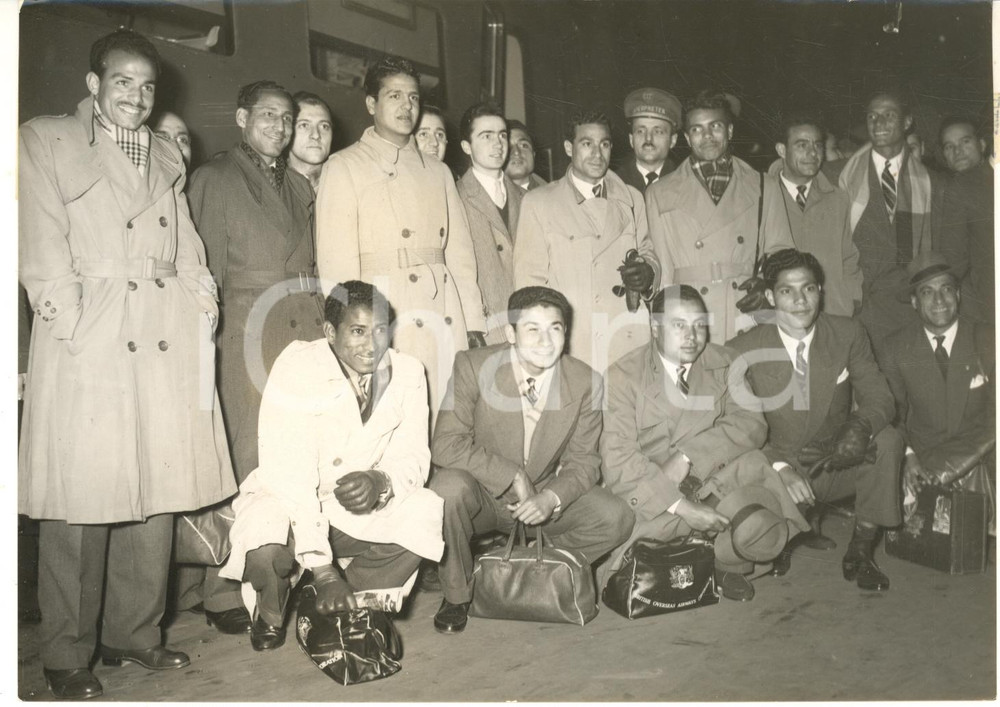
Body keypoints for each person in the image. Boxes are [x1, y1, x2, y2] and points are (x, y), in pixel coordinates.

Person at [18, 29, 235, 699]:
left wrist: (202, 302)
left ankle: (133, 634)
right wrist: (71, 317)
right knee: (80, 499)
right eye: (122, 82)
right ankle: (66, 651)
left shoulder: (166, 151)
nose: (136, 96)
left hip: (164, 326)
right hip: (95, 330)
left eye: (147, 86)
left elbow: (189, 243)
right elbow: (40, 241)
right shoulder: (46, 138)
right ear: (93, 85)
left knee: (156, 490)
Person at [220, 280, 444, 651]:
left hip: (351, 508)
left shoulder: (407, 371)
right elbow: (290, 474)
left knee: (425, 513)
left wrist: (381, 479)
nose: (371, 344)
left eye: (380, 330)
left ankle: (341, 600)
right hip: (290, 499)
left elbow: (415, 456)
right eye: (357, 331)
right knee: (266, 547)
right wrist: (323, 570)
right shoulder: (296, 366)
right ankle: (272, 611)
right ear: (329, 332)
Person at [186, 80, 324, 633]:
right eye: (268, 115)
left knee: (295, 455)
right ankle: (221, 590)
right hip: (246, 334)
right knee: (246, 460)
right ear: (241, 117)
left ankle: (282, 571)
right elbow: (208, 273)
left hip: (301, 330)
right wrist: (210, 352)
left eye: (287, 118)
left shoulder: (295, 184)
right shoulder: (215, 179)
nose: (280, 127)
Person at [429, 286, 634, 633]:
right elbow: (445, 444)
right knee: (447, 489)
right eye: (532, 329)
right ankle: (457, 594)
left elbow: (584, 462)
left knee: (617, 518)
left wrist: (550, 497)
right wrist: (513, 476)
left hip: (541, 501)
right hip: (484, 497)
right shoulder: (474, 366)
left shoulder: (586, 381)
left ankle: (531, 564)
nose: (545, 340)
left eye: (555, 328)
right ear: (510, 333)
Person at [601, 285, 806, 602]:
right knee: (633, 559)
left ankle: (729, 563)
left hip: (715, 476)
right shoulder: (623, 376)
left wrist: (687, 456)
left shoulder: (727, 361)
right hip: (656, 490)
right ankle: (701, 552)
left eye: (699, 325)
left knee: (754, 486)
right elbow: (619, 460)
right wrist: (681, 506)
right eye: (678, 325)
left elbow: (752, 424)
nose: (691, 336)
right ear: (654, 327)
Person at [316, 56, 486, 424]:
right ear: (371, 105)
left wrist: (473, 323)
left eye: (413, 98)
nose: (406, 106)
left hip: (443, 309)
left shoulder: (438, 171)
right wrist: (351, 331)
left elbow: (461, 257)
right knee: (392, 418)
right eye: (394, 96)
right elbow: (336, 264)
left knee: (448, 419)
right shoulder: (344, 166)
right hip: (386, 310)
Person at [728, 249, 904, 592]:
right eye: (786, 291)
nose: (799, 301)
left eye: (808, 288)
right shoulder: (744, 349)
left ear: (820, 290)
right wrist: (780, 467)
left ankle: (860, 551)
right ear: (768, 296)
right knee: (760, 516)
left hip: (836, 459)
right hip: (780, 466)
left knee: (888, 440)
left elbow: (881, 398)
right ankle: (783, 538)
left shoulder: (848, 333)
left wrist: (860, 426)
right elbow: (740, 430)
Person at [646, 89, 794, 344]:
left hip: (747, 312)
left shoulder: (764, 185)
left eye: (715, 126)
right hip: (690, 318)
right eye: (697, 129)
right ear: (687, 137)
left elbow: (782, 252)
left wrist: (767, 284)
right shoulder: (659, 192)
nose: (707, 136)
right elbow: (664, 274)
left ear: (730, 131)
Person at [514, 110, 658, 371]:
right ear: (569, 148)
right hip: (575, 343)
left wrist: (648, 274)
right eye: (587, 144)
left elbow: (649, 253)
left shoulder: (633, 199)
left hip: (627, 339)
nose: (597, 153)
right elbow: (529, 283)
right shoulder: (539, 203)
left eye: (604, 144)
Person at [827, 89, 944, 357]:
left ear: (906, 122)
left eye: (889, 115)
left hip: (906, 311)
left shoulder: (932, 183)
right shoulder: (837, 176)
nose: (878, 123)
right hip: (853, 307)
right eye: (872, 116)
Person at [881, 252, 995, 523]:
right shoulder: (895, 347)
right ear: (914, 302)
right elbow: (891, 414)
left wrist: (954, 463)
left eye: (946, 289)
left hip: (981, 452)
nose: (939, 301)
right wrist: (908, 457)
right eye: (927, 292)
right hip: (923, 458)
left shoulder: (989, 339)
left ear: (958, 295)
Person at [768, 112, 862, 318]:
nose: (813, 153)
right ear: (781, 150)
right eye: (802, 145)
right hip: (781, 318)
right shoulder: (761, 196)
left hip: (833, 313)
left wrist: (853, 299)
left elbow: (849, 257)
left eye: (817, 145)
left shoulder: (837, 199)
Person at [456, 102, 522, 344]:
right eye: (486, 136)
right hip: (486, 331)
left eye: (502, 135)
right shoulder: (455, 197)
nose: (498, 144)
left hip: (526, 326)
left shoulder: (526, 199)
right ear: (466, 146)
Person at [937, 117, 994, 324]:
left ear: (982, 144)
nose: (957, 151)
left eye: (965, 142)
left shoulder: (962, 186)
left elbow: (954, 261)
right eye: (949, 146)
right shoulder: (949, 184)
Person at [615, 87, 681, 193]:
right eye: (640, 131)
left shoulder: (686, 183)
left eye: (658, 131)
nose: (648, 138)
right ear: (631, 139)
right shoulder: (614, 184)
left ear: (673, 140)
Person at [287, 91, 334, 192]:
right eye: (304, 125)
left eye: (324, 126)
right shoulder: (269, 185)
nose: (316, 135)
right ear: (287, 131)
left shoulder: (346, 183)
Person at [505, 119, 547, 191]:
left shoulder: (554, 196)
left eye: (524, 145)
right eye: (508, 147)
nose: (516, 152)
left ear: (533, 154)